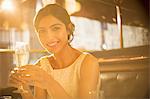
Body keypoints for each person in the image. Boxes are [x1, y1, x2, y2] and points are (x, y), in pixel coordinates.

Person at [9, 4, 100, 99]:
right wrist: (24, 88)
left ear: (68, 29)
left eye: (55, 28)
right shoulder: (42, 65)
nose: (49, 37)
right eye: (42, 31)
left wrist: (49, 82)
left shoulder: (88, 62)